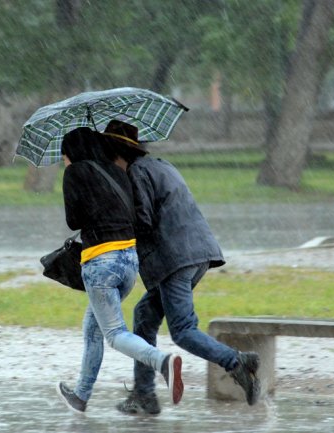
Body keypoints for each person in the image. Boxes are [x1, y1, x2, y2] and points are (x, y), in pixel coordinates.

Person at [101, 120, 261, 415]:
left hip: (174, 259)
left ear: (116, 153)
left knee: (183, 330)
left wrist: (114, 228)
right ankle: (144, 394)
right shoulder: (161, 166)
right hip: (194, 254)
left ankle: (237, 362)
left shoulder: (135, 174)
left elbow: (144, 221)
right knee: (145, 315)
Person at [55, 127, 184, 414]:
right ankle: (81, 395)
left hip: (101, 263)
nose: (63, 162)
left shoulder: (75, 172)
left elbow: (73, 221)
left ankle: (162, 361)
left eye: (63, 156)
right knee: (93, 329)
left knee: (113, 334)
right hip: (129, 262)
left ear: (71, 152)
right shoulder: (116, 171)